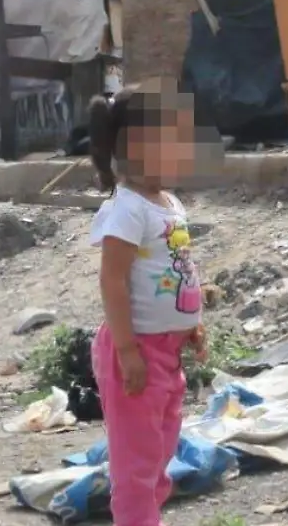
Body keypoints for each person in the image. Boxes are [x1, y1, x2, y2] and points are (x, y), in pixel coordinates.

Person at [88, 86, 207, 526]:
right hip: (135, 353)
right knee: (136, 465)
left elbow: (179, 267)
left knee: (159, 452)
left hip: (167, 351)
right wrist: (126, 350)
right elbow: (112, 279)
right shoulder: (127, 209)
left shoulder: (169, 204)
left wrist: (193, 322)